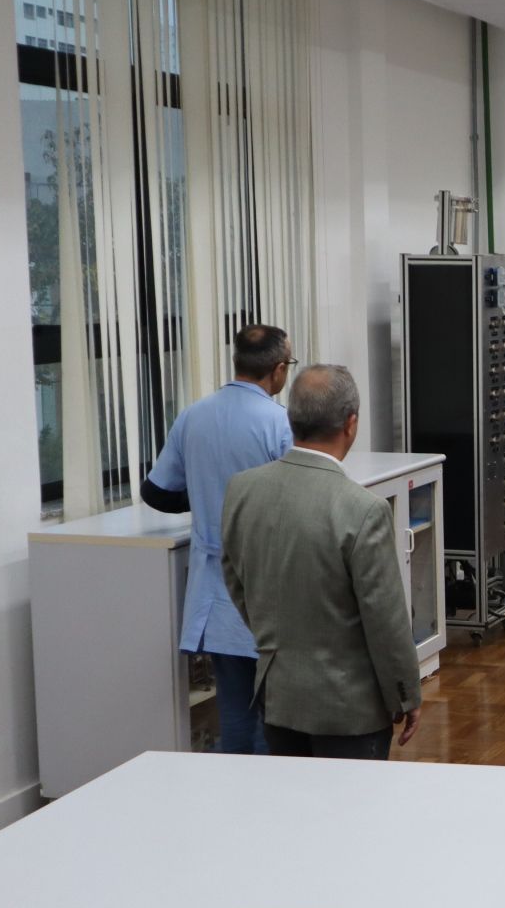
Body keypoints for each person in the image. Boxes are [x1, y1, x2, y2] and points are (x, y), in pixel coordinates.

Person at [221, 365, 422, 760]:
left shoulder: (242, 491)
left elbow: (236, 580)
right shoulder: (363, 509)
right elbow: (385, 621)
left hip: (278, 699)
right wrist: (405, 693)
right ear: (351, 424)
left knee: (291, 815)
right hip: (350, 710)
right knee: (350, 818)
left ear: (292, 417)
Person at [140, 325, 294, 755]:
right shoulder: (279, 423)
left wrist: (210, 500)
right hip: (268, 590)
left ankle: (233, 808)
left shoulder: (194, 415)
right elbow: (298, 500)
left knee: (235, 713)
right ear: (278, 370)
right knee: (275, 717)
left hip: (216, 592)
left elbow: (155, 491)